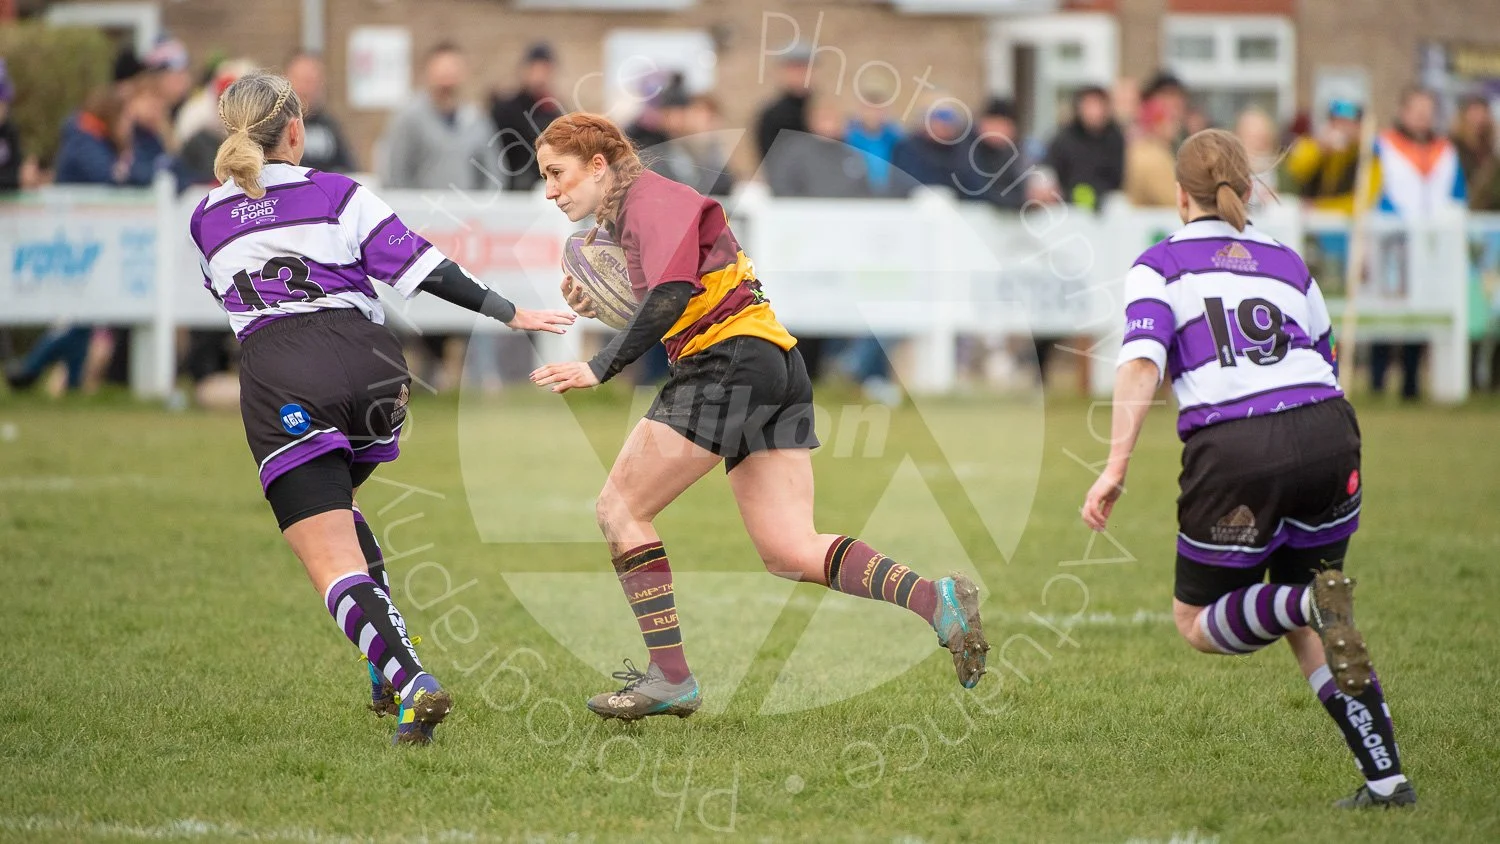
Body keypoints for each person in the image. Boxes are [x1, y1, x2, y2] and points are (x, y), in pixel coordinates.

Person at [529, 113, 989, 719]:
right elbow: (671, 295)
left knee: (619, 509)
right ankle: (936, 599)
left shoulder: (648, 197)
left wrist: (600, 365)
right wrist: (603, 303)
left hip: (728, 361)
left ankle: (670, 678)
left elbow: (670, 297)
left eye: (558, 174)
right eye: (544, 178)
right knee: (789, 549)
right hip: (771, 361)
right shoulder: (635, 213)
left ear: (598, 165)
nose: (551, 190)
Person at [189, 73, 574, 744]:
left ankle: (410, 679)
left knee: (329, 555)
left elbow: (230, 299)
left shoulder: (206, 216)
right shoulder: (338, 193)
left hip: (287, 373)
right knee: (341, 512)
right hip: (376, 372)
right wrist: (510, 311)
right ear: (297, 132)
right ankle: (382, 668)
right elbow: (423, 268)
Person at [1082, 128, 1415, 809]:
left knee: (1198, 621)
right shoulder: (1288, 261)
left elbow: (1142, 362)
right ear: (1248, 188)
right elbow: (1320, 352)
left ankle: (1305, 601)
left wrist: (1114, 464)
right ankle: (1386, 779)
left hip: (1237, 445)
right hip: (1330, 432)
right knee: (1308, 613)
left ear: (1179, 197)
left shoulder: (1159, 265)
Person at [1370, 87, 1467, 401]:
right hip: (1392, 238)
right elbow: (1371, 189)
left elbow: (1456, 195)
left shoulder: (1446, 150)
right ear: (1403, 111)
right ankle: (1378, 379)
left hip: (1433, 243)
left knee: (1422, 311)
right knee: (1386, 310)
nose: (1423, 117)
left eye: (1429, 110)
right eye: (1417, 109)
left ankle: (1411, 381)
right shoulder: (1382, 145)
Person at [488, 41, 563, 192]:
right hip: (509, 186)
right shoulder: (506, 108)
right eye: (535, 69)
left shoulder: (553, 110)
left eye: (544, 70)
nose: (539, 76)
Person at [1045, 85, 1125, 211]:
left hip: (1106, 207)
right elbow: (1052, 171)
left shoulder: (1116, 138)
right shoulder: (1063, 139)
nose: (1093, 111)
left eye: (1098, 105)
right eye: (1088, 105)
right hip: (1067, 207)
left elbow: (1118, 176)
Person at [286, 51, 357, 173]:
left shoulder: (329, 125)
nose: (307, 89)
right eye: (302, 80)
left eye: (312, 81)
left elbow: (349, 168)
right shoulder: (277, 125)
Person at [753, 48, 812, 162]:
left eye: (805, 68)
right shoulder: (773, 115)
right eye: (795, 69)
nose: (801, 74)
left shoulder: (821, 110)